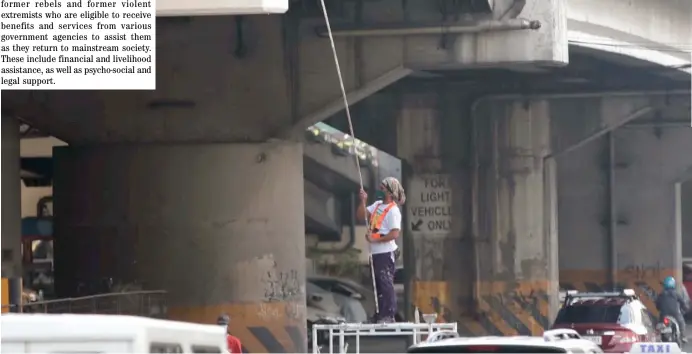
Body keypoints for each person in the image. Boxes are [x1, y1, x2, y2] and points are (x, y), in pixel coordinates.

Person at [357, 177, 406, 323]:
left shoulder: (393, 211)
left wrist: (375, 239)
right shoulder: (378, 205)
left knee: (385, 283)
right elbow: (361, 215)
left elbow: (394, 233)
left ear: (390, 191)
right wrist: (363, 201)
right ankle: (380, 313)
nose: (380, 188)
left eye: (383, 186)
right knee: (377, 284)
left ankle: (388, 315)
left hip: (386, 252)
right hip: (375, 252)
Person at [656, 276, 689, 343]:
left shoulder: (661, 294)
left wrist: (660, 308)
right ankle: (683, 336)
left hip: (664, 314)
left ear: (665, 285)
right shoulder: (676, 294)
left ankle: (658, 336)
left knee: (660, 323)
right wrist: (685, 308)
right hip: (675, 314)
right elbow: (682, 302)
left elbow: (658, 305)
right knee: (681, 322)